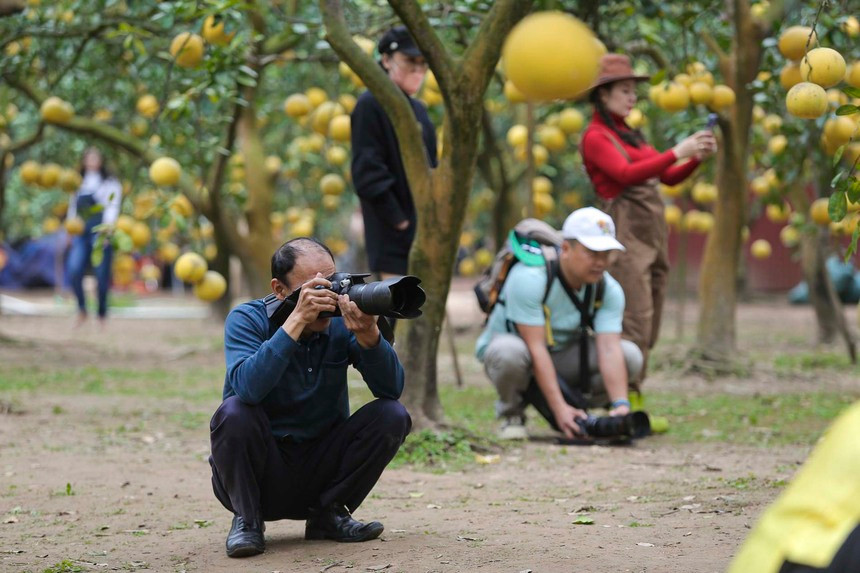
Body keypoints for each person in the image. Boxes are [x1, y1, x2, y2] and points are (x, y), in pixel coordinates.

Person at [208, 237, 412, 558]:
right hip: (263, 471)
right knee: (234, 411)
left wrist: (370, 336)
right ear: (279, 289)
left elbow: (391, 390)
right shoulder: (247, 319)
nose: (327, 295)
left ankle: (328, 515)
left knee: (392, 414)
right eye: (314, 287)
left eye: (331, 282)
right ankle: (247, 520)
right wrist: (296, 322)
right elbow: (247, 388)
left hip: (320, 466)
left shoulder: (342, 324)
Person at [580, 53, 717, 395]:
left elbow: (667, 177)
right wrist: (676, 151)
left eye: (632, 91)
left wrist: (694, 157)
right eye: (624, 90)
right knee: (633, 317)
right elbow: (626, 175)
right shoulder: (596, 137)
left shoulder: (631, 135)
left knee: (651, 313)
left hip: (652, 234)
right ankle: (622, 396)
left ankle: (635, 388)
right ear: (603, 94)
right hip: (625, 233)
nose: (631, 97)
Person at [475, 207, 643, 440]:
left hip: (564, 356)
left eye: (606, 254)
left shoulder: (608, 289)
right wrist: (559, 410)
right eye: (592, 253)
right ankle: (511, 414)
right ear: (566, 248)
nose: (600, 262)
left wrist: (621, 406)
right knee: (508, 352)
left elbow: (609, 348)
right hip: (521, 354)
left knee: (630, 355)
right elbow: (536, 348)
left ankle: (584, 408)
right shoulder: (530, 278)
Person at [350, 25, 438, 280]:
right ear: (386, 60)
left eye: (422, 63)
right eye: (410, 61)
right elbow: (367, 171)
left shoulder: (420, 111)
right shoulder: (370, 105)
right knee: (398, 308)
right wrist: (399, 220)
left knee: (425, 304)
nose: (418, 70)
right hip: (393, 235)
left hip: (425, 229)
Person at [65, 147, 122, 327]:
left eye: (95, 157)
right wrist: (70, 229)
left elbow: (112, 207)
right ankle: (82, 309)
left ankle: (101, 314)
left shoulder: (110, 183)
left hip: (100, 231)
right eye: (88, 157)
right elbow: (73, 208)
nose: (92, 160)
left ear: (101, 160)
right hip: (81, 231)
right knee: (74, 269)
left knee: (102, 274)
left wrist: (107, 230)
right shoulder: (77, 182)